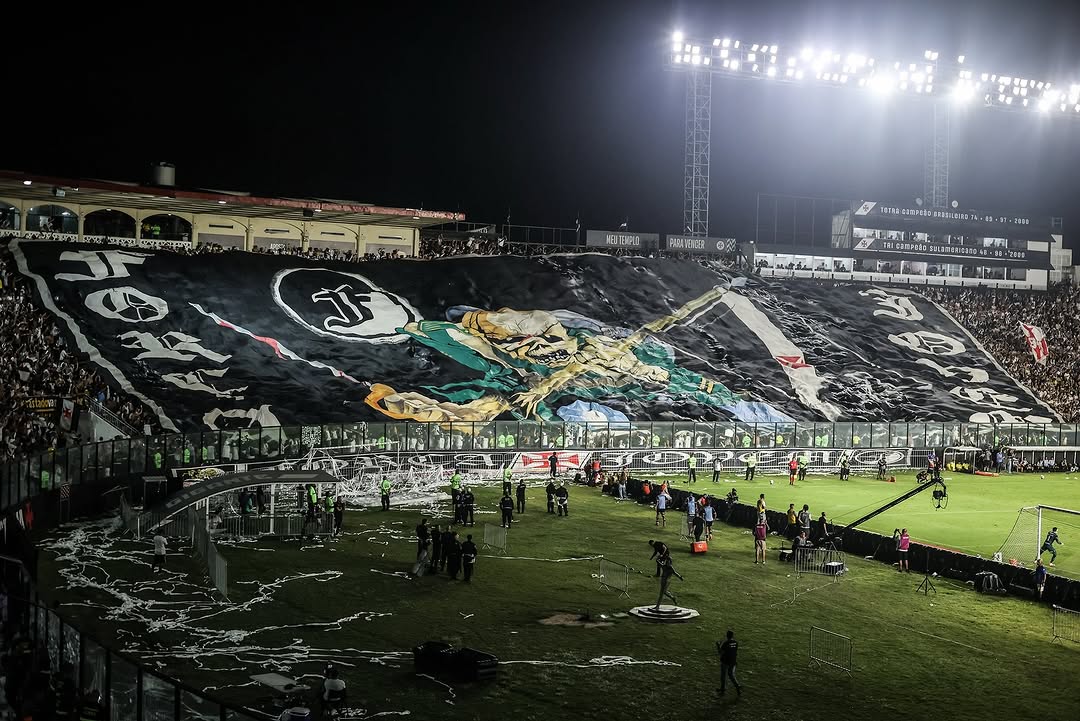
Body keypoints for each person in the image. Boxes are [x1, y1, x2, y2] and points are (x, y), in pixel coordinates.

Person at [716, 630, 743, 696]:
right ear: (732, 636)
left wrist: (718, 645)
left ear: (727, 635)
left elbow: (720, 652)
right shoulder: (736, 643)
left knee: (723, 676)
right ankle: (737, 686)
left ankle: (723, 689)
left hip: (725, 661)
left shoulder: (726, 643)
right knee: (731, 675)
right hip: (733, 662)